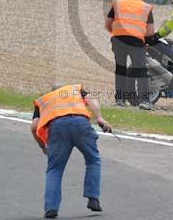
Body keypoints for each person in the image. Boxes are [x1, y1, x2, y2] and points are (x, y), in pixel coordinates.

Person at [31, 83, 112, 219]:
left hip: (57, 129)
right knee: (93, 160)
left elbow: (34, 127)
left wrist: (42, 147)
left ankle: (51, 208)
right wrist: (99, 118)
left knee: (55, 170)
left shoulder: (43, 100)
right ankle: (93, 198)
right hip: (81, 124)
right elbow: (91, 100)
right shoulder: (75, 89)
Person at [105, 0, 156, 110]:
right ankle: (144, 101)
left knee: (120, 68)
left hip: (118, 39)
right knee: (141, 70)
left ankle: (120, 100)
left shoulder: (117, 3)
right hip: (136, 41)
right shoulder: (146, 7)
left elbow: (108, 24)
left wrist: (117, 32)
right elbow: (150, 32)